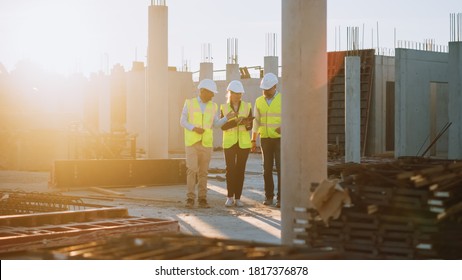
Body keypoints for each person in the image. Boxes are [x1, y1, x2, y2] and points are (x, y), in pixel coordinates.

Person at [180, 79, 236, 208]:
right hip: (192, 143)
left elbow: (215, 124)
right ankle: (190, 199)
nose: (213, 95)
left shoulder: (213, 106)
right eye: (211, 93)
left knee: (203, 172)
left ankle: (202, 199)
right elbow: (182, 121)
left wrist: (226, 118)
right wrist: (193, 128)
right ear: (202, 91)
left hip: (206, 143)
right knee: (192, 170)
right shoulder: (189, 103)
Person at [220, 80, 253, 207]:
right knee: (230, 170)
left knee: (240, 170)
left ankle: (238, 198)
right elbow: (223, 127)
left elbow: (250, 126)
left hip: (243, 144)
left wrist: (247, 124)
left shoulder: (247, 106)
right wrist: (236, 122)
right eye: (235, 93)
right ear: (230, 93)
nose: (238, 96)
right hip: (229, 143)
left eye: (240, 93)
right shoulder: (224, 107)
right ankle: (229, 197)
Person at [251, 73, 282, 208]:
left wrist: (285, 127)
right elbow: (256, 122)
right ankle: (269, 196)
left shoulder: (283, 99)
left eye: (268, 89)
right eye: (263, 89)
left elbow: (292, 116)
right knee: (266, 170)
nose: (265, 91)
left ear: (275, 87)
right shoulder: (259, 101)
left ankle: (281, 198)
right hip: (265, 139)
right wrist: (253, 140)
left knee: (281, 169)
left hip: (280, 140)